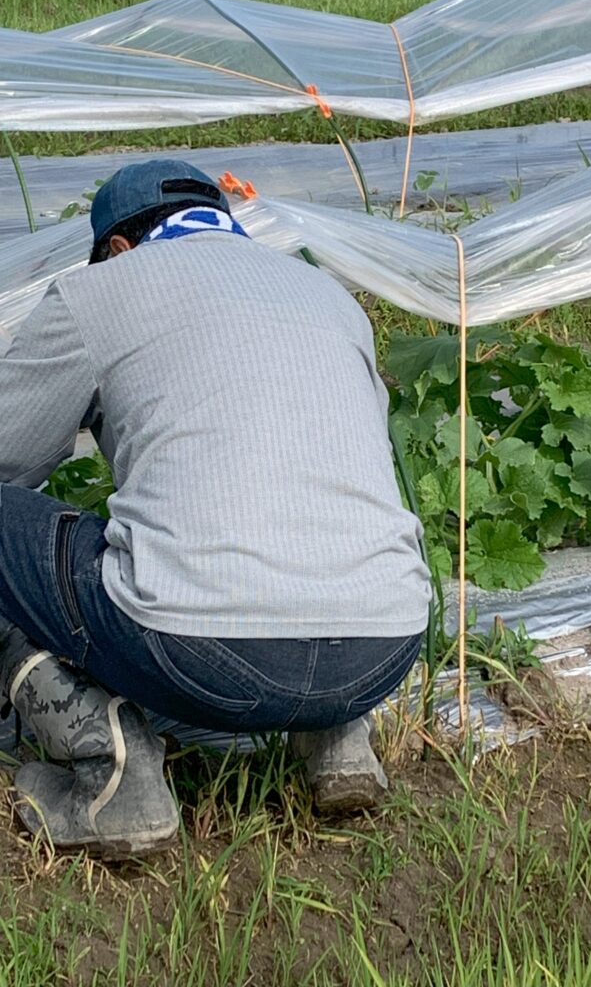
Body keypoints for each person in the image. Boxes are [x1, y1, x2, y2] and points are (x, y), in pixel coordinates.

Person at [0, 160, 431, 857]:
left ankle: (118, 782)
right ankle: (339, 743)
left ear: (118, 247)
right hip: (383, 649)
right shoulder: (327, 295)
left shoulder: (102, 289)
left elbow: (8, 460)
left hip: (199, 655)